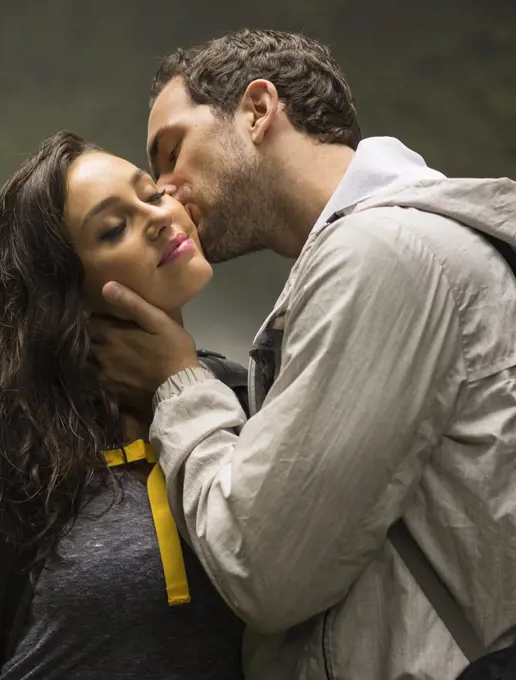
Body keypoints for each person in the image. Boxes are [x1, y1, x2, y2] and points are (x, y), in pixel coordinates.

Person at [90, 29, 516, 680]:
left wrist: (178, 382)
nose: (167, 192)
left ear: (258, 110)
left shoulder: (382, 255)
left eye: (171, 152)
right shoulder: (403, 245)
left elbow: (260, 566)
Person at [0, 131, 245, 680]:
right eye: (114, 228)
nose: (157, 217)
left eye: (152, 195)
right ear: (67, 291)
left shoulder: (244, 399)